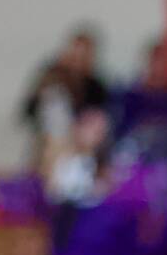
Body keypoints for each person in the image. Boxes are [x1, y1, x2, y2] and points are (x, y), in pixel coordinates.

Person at [20, 26, 111, 157]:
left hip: (82, 142)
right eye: (75, 54)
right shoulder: (52, 77)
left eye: (83, 55)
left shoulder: (96, 86)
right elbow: (28, 111)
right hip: (50, 142)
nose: (78, 60)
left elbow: (98, 120)